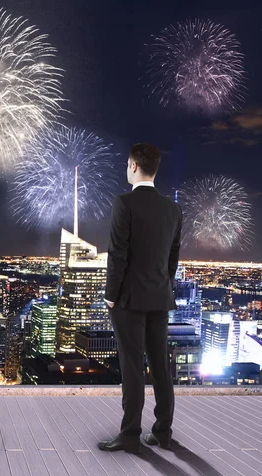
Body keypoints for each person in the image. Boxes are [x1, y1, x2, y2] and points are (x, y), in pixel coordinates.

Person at [98, 143, 182, 455]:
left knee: (132, 366)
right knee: (160, 365)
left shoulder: (124, 203)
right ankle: (163, 433)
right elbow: (172, 259)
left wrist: (110, 295)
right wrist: (162, 284)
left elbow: (117, 254)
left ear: (133, 165)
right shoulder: (173, 209)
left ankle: (131, 434)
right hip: (160, 297)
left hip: (129, 300)